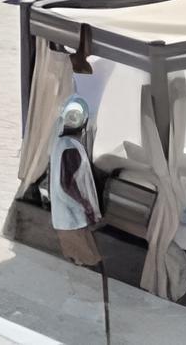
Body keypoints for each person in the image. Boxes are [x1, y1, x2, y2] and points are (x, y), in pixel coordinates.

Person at [50, 96, 104, 267]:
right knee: (91, 265)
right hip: (74, 221)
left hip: (64, 220)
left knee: (76, 267)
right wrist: (87, 208)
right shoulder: (70, 147)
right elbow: (67, 185)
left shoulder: (60, 144)